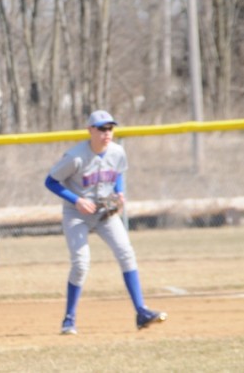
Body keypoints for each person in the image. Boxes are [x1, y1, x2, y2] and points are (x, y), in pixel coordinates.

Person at [44, 110, 167, 335]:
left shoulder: (118, 151)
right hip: (77, 214)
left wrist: (119, 193)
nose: (106, 132)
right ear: (90, 130)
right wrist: (76, 199)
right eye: (101, 128)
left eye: (110, 128)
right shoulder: (75, 157)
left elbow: (117, 173)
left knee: (126, 253)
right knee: (81, 264)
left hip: (104, 213)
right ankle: (69, 320)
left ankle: (141, 312)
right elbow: (50, 181)